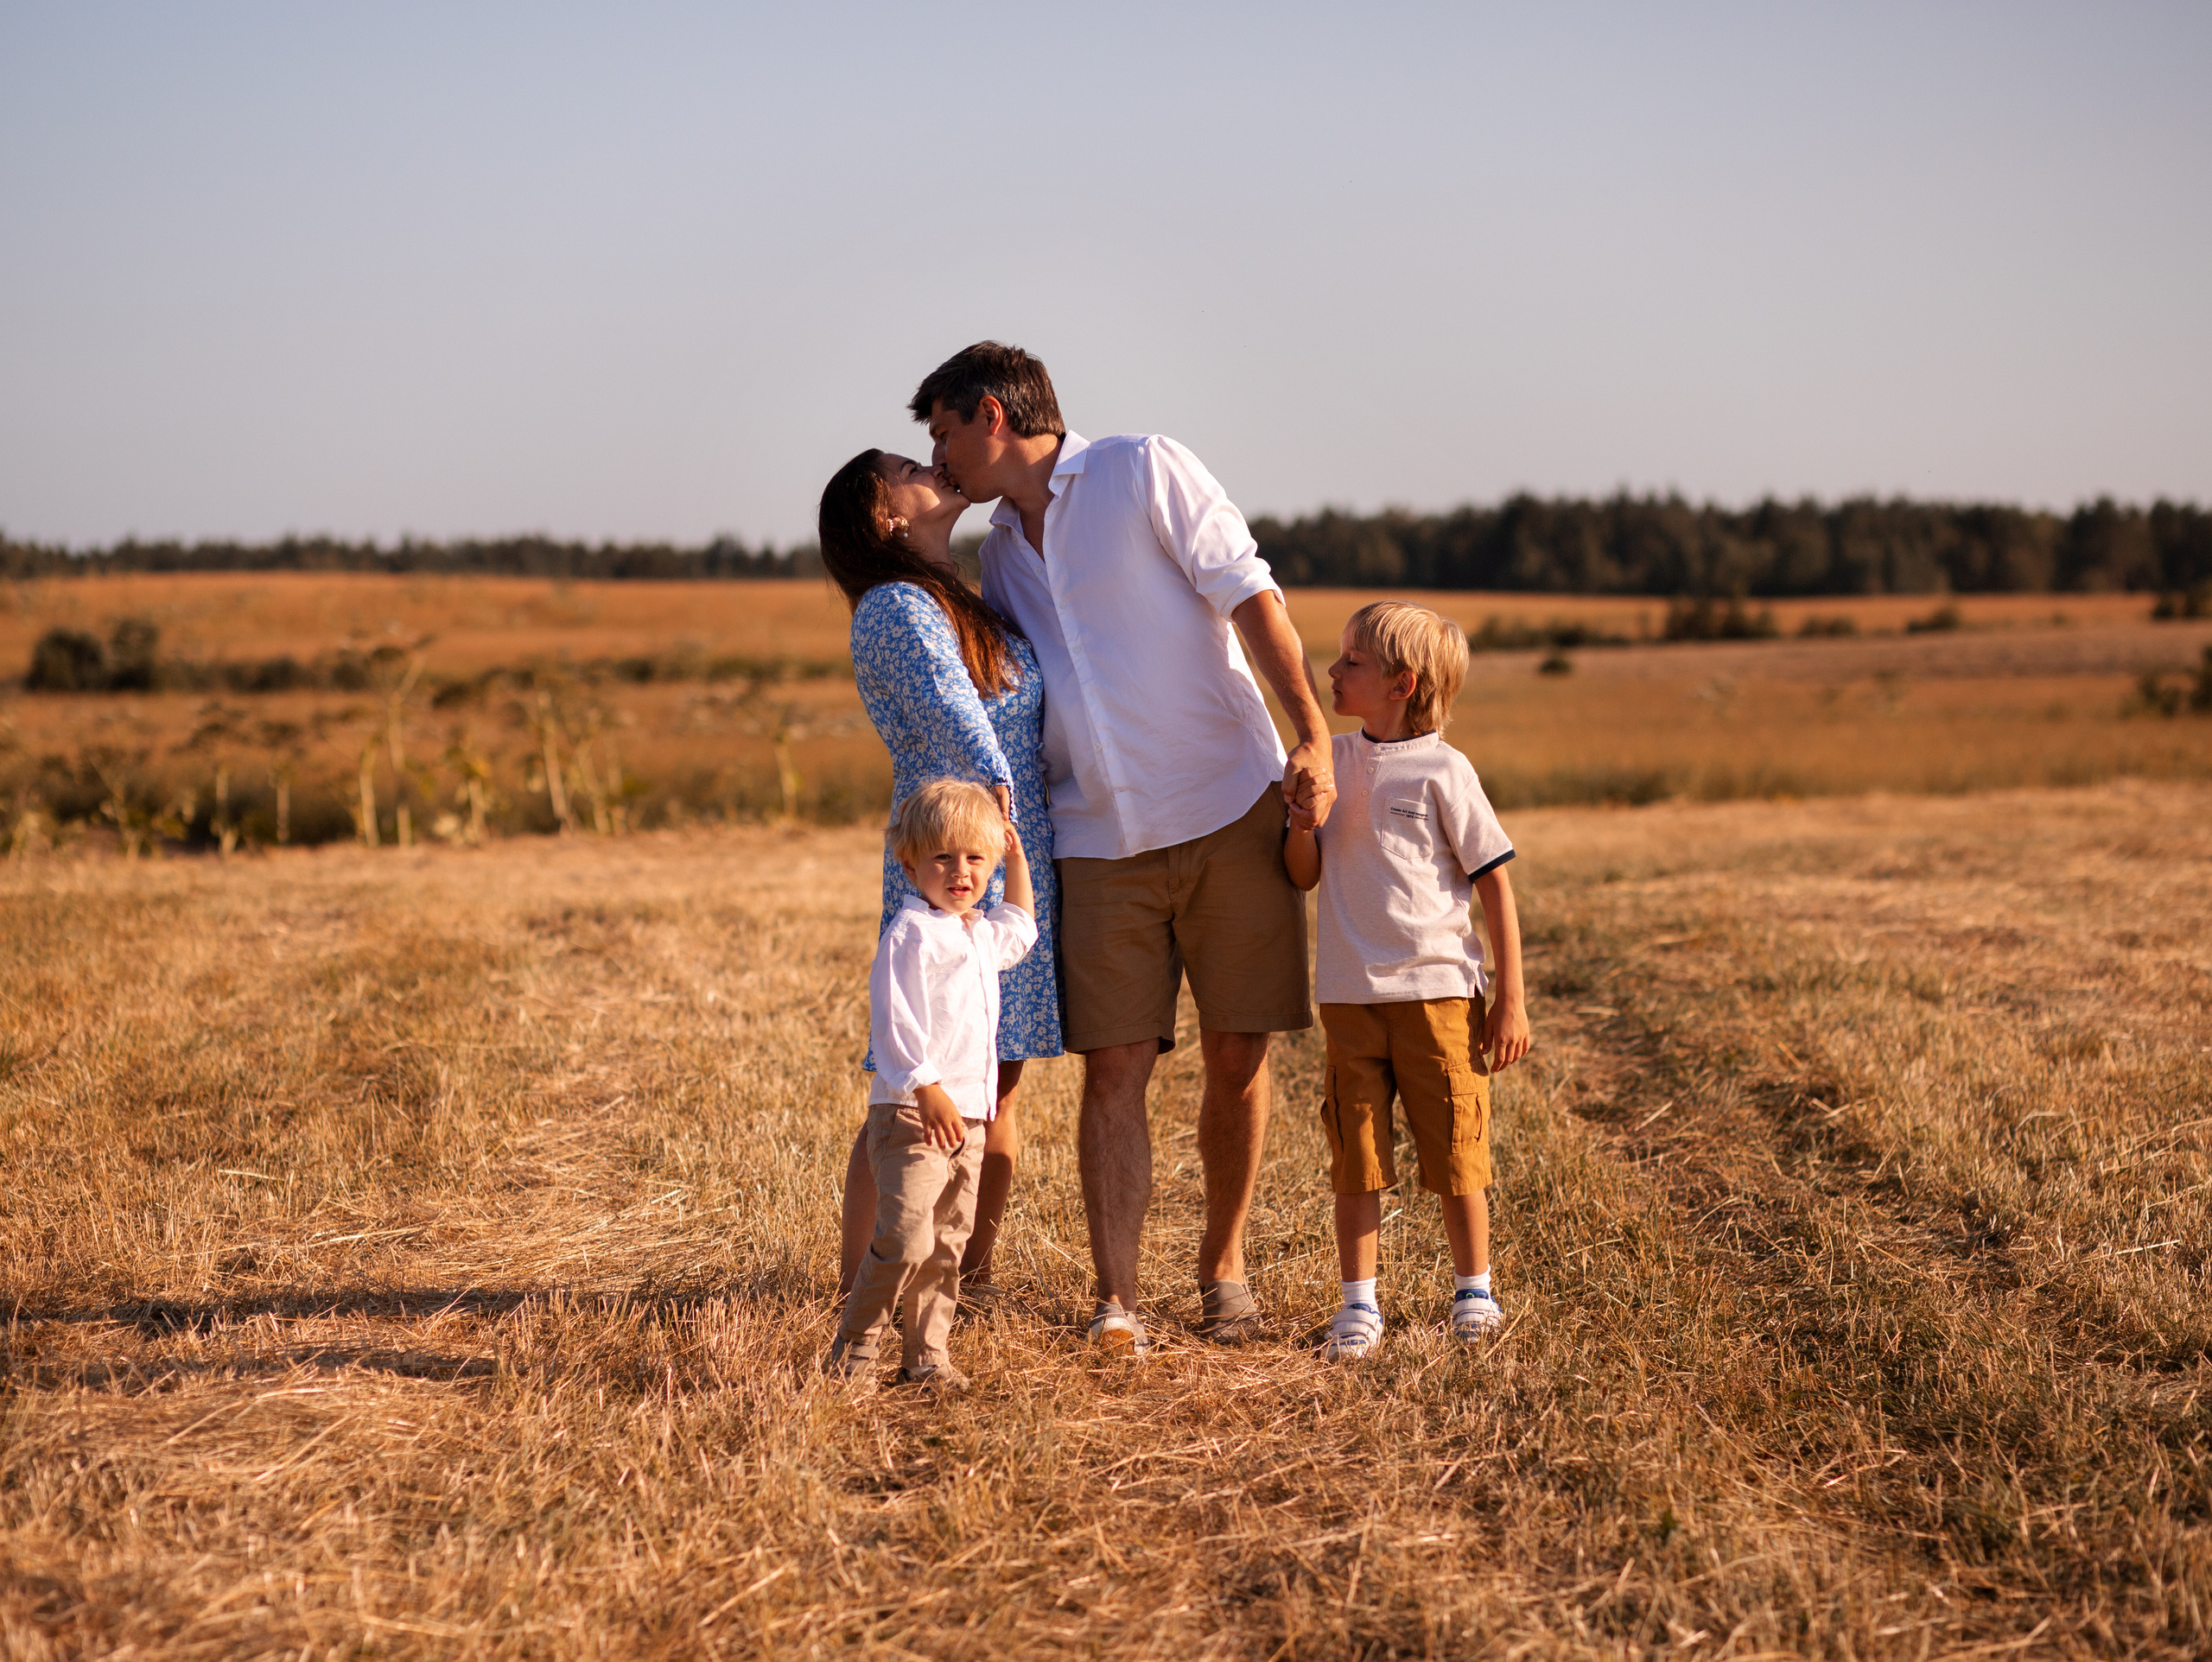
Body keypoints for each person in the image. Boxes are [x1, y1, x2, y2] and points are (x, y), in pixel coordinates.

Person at [912, 341, 1338, 1355]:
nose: (941, 461)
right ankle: (1117, 1299)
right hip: (1097, 842)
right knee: (1114, 1067)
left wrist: (1312, 734)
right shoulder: (1000, 554)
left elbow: (1251, 594)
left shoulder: (1143, 467)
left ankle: (1221, 1271)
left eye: (942, 437)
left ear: (990, 416)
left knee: (1239, 1051)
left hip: (1230, 802)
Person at [817, 449, 1060, 1300]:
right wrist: (1003, 826)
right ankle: (867, 1286)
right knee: (906, 1097)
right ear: (886, 516)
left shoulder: (961, 601)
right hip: (954, 859)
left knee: (992, 1086)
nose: (934, 464)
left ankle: (964, 1280)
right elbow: (962, 729)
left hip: (1006, 855)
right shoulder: (895, 606)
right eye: (909, 467)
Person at [1282, 600, 1531, 1361]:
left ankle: (1474, 1292)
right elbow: (1303, 876)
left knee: (1456, 1147)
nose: (1331, 671)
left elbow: (1495, 886)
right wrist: (1300, 819)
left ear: (1401, 683)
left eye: (1350, 661)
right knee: (1354, 1153)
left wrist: (1511, 998)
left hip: (1439, 997)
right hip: (1349, 999)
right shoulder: (1333, 762)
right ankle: (1358, 1308)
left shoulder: (1444, 771)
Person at [826, 780, 1039, 1392]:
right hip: (915, 1114)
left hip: (970, 1118)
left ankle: (928, 1357)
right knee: (905, 1237)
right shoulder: (910, 936)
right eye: (943, 857)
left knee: (947, 1243)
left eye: (975, 858)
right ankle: (855, 1349)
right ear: (909, 862)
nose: (960, 871)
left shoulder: (976, 934)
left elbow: (1020, 929)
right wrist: (927, 1087)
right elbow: (896, 1023)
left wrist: (1018, 858)